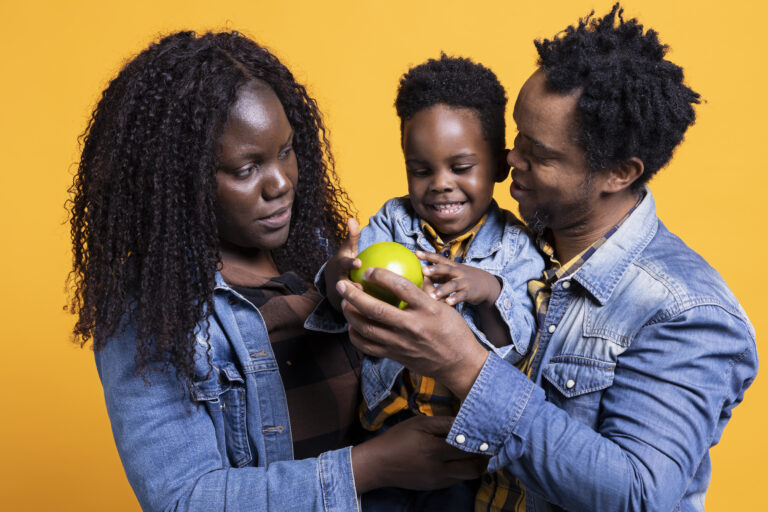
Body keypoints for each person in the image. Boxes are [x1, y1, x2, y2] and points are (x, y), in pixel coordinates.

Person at [334, 4, 759, 511]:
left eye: (539, 154)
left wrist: (464, 364)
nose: (510, 160)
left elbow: (640, 496)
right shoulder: (517, 244)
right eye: (516, 139)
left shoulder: (688, 313)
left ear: (618, 173)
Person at [68, 30, 483, 511]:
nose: (281, 183)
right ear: (179, 180)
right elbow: (184, 499)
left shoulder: (321, 251)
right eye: (247, 169)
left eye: (286, 151)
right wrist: (372, 466)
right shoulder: (151, 312)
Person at [315, 54, 543, 510]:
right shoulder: (392, 222)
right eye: (421, 170)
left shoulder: (518, 246)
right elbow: (345, 296)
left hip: (466, 445)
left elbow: (517, 346)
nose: (440, 184)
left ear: (499, 165)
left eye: (460, 168)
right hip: (386, 430)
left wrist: (487, 289)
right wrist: (340, 274)